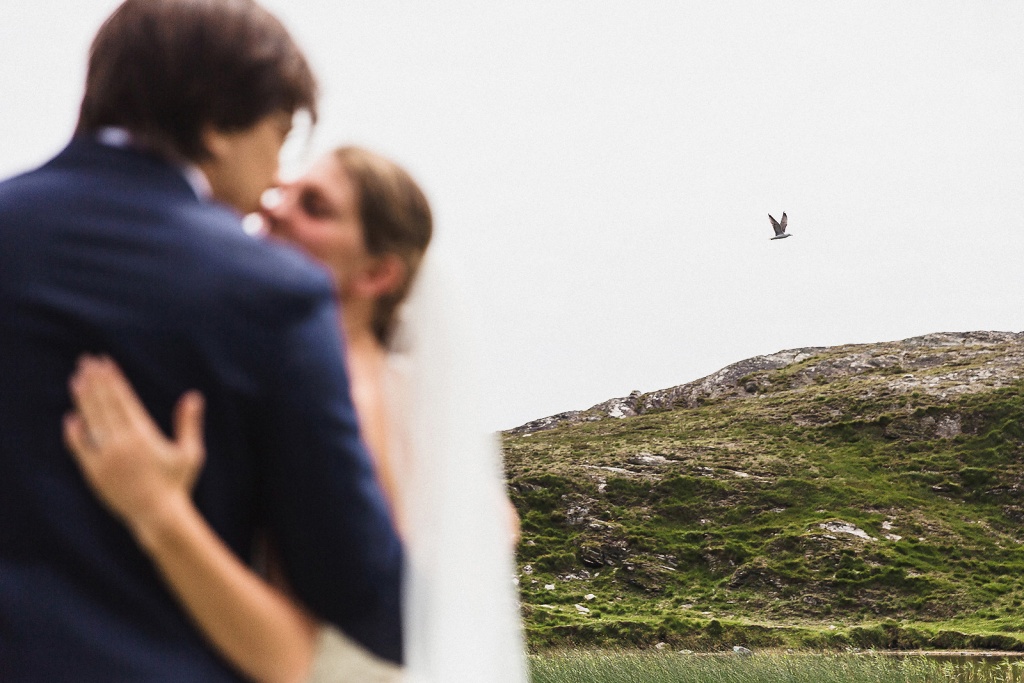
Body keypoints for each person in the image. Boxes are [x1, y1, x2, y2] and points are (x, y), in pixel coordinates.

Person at [0, 1, 402, 680]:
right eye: (279, 135)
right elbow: (365, 598)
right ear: (216, 124)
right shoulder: (272, 293)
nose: (274, 179)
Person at [64, 147, 528, 682]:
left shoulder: (333, 395)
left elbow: (291, 641)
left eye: (315, 207)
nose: (275, 207)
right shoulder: (403, 387)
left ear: (377, 274)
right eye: (286, 190)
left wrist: (157, 507)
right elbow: (496, 525)